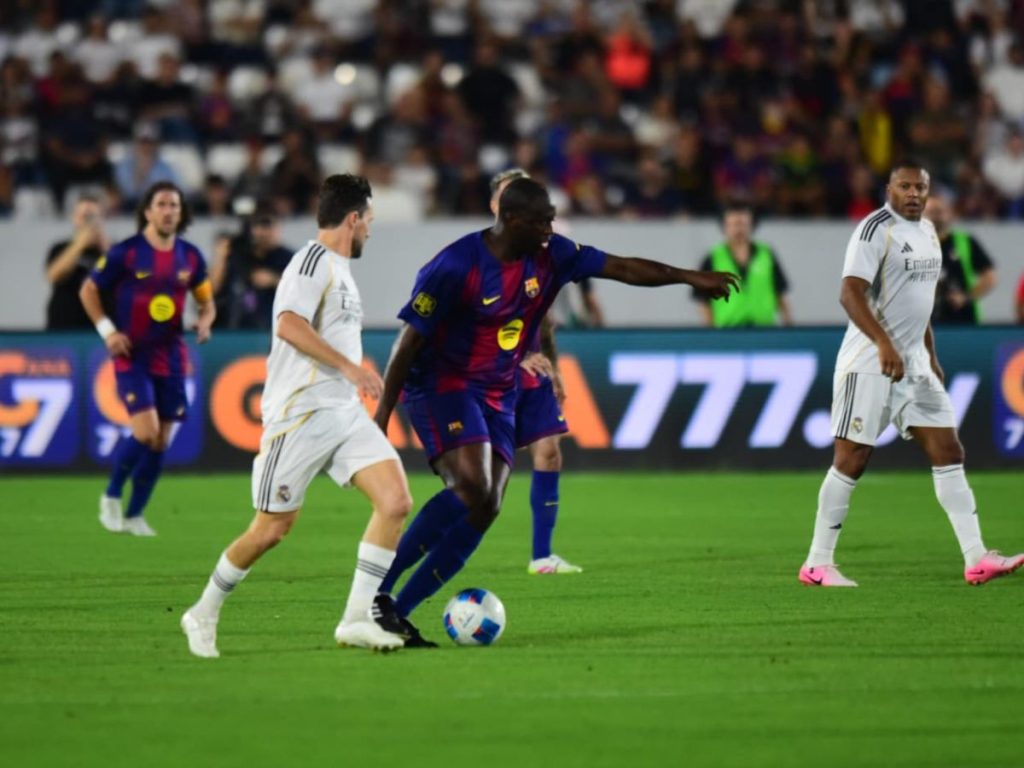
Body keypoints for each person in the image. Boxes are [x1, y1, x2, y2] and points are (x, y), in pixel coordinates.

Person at [371, 177, 739, 645]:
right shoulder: (456, 264)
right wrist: (382, 412)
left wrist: (687, 277)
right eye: (542, 219)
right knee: (472, 486)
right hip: (443, 384)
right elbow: (410, 339)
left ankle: (398, 613)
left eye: (551, 218)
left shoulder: (554, 253)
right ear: (511, 219)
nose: (550, 226)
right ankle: (376, 593)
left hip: (499, 391)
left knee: (487, 505)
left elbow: (622, 267)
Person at [180, 175, 414, 658]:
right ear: (353, 219)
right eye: (368, 220)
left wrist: (350, 377)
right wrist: (350, 367)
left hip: (342, 413)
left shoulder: (341, 270)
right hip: (300, 416)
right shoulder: (310, 262)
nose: (370, 229)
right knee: (270, 530)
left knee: (395, 502)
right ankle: (202, 612)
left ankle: (354, 619)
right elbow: (288, 324)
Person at [798, 161, 1023, 588]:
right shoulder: (873, 230)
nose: (914, 194)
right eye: (905, 186)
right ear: (889, 189)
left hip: (915, 365)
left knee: (948, 450)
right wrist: (883, 342)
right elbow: (849, 294)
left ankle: (976, 557)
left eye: (920, 187)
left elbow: (920, 302)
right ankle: (817, 562)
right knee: (851, 459)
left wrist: (929, 354)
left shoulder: (928, 234)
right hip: (868, 360)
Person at [79, 181, 215, 536]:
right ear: (148, 211)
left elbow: (206, 300)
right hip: (132, 354)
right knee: (146, 430)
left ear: (181, 212)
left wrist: (205, 320)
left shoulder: (191, 256)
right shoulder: (126, 253)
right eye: (162, 204)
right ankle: (111, 496)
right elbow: (89, 290)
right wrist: (109, 331)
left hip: (170, 355)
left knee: (161, 440)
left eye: (175, 204)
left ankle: (136, 514)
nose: (169, 210)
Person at [488, 168, 582, 575]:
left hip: (531, 369)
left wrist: (555, 370)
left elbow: (542, 320)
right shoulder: (482, 255)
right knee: (488, 476)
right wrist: (512, 355)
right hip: (489, 373)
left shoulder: (540, 255)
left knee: (549, 451)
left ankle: (542, 556)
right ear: (497, 205)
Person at [694, 201, 792, 327]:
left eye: (743, 224)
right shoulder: (713, 258)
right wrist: (711, 331)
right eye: (734, 224)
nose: (739, 229)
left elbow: (779, 293)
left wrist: (788, 324)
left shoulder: (766, 254)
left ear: (752, 226)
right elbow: (703, 300)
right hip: (727, 331)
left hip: (764, 329)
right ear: (724, 226)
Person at [209, 205, 293, 329]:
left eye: (267, 224)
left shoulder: (289, 258)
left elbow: (304, 294)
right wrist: (221, 257)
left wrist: (274, 280)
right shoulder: (238, 255)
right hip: (235, 330)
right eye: (256, 224)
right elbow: (211, 291)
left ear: (278, 227)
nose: (262, 231)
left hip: (274, 330)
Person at [923, 192, 997, 324]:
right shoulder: (912, 245)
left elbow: (990, 277)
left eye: (939, 212)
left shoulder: (965, 242)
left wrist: (966, 297)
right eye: (930, 212)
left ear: (950, 214)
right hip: (924, 322)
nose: (934, 217)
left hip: (964, 319)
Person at [45, 192, 110, 330]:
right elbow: (53, 276)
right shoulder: (60, 248)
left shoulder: (111, 250)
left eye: (93, 216)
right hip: (64, 327)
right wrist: (79, 244)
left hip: (99, 329)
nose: (89, 221)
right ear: (75, 218)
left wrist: (104, 245)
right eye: (85, 216)